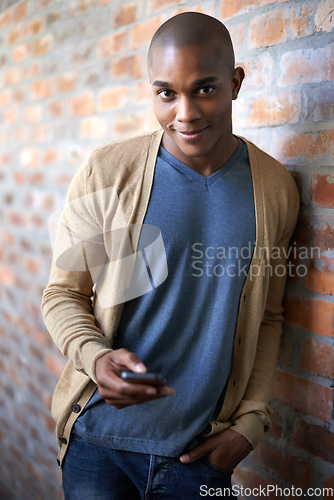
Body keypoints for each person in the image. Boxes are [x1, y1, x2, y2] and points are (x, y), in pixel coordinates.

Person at [41, 11, 299, 499]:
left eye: (205, 89)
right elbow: (64, 293)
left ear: (236, 83)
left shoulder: (274, 190)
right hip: (100, 445)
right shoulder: (110, 174)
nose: (185, 112)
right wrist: (95, 359)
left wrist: (251, 422)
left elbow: (269, 316)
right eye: (167, 93)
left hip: (198, 457)